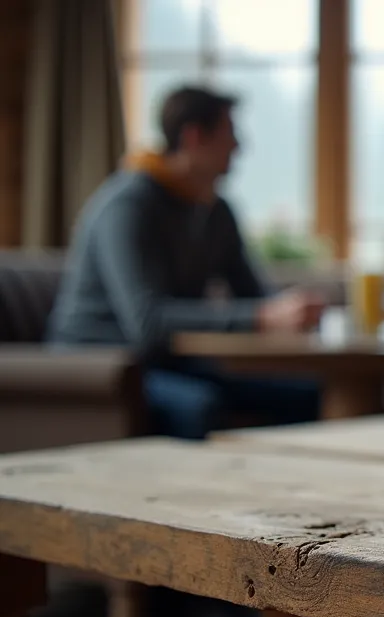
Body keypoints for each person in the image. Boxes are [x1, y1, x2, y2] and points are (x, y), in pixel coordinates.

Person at [47, 85, 324, 441]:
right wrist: (261, 317)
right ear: (193, 137)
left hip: (169, 362)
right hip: (103, 365)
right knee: (198, 405)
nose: (239, 147)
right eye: (229, 134)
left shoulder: (215, 211)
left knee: (304, 393)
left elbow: (253, 295)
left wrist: (290, 310)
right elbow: (148, 324)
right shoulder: (128, 207)